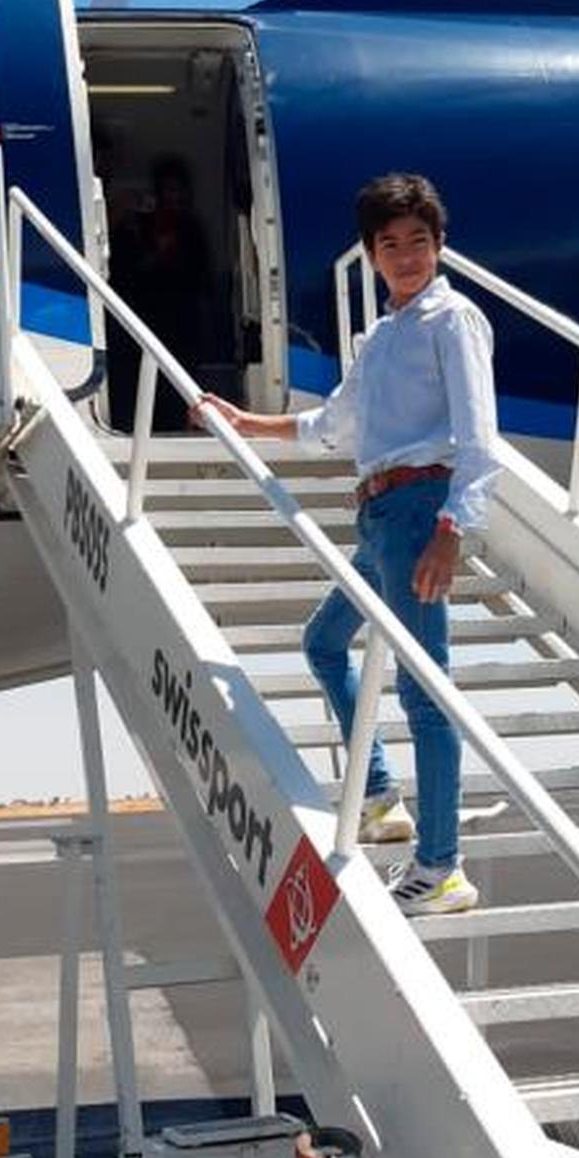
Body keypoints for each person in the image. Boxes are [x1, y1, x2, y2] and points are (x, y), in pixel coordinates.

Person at [193, 171, 499, 916]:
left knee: (425, 690)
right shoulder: (385, 335)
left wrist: (451, 532)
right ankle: (382, 795)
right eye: (389, 244)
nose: (405, 256)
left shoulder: (450, 320)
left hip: (422, 509)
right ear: (369, 253)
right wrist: (248, 422)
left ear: (440, 244)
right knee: (325, 641)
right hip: (379, 514)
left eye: (418, 242)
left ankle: (441, 866)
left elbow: (480, 440)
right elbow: (333, 424)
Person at [109, 155, 212, 429]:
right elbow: (124, 273)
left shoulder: (191, 229)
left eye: (179, 190)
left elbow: (200, 276)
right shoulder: (137, 227)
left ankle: (177, 425)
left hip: (181, 323)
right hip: (144, 320)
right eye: (169, 190)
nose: (175, 197)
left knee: (178, 387)